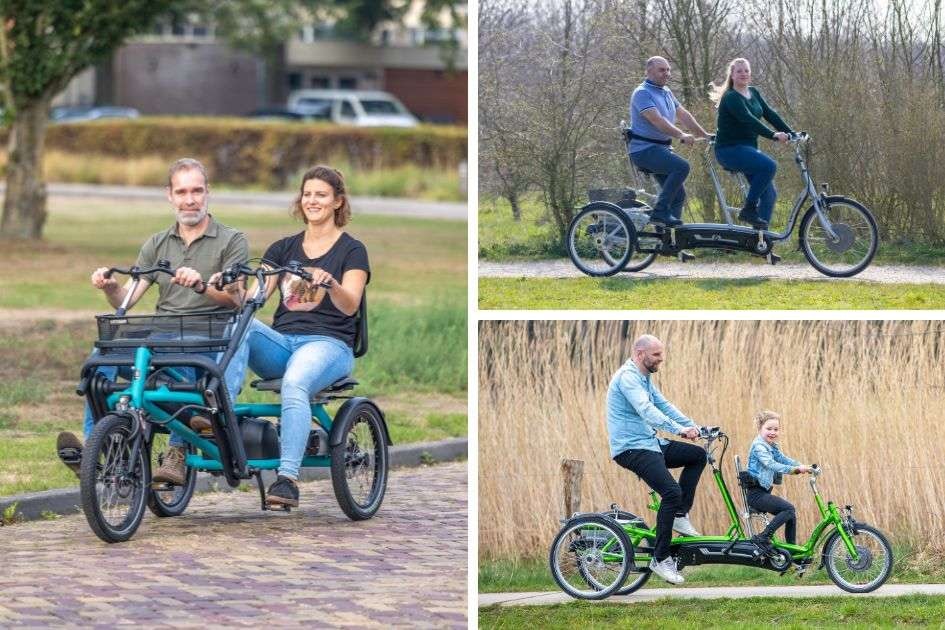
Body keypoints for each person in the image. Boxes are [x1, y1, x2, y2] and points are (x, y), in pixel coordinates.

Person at [56, 158, 249, 485]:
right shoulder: (157, 243)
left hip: (210, 334)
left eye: (197, 191)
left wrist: (202, 284)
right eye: (182, 191)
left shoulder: (231, 240)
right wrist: (112, 287)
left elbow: (237, 298)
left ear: (208, 193)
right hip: (162, 331)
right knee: (103, 356)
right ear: (170, 196)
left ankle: (176, 452)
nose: (190, 200)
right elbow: (127, 301)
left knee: (181, 364)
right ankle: (96, 444)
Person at [221, 165, 369, 508]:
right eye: (307, 194)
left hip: (329, 344)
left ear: (337, 202)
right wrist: (235, 292)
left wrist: (330, 282)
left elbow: (350, 307)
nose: (312, 201)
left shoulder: (352, 250)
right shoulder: (283, 248)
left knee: (295, 383)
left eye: (321, 195)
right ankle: (220, 413)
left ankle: (286, 480)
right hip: (284, 343)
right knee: (238, 326)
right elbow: (255, 300)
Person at [606, 334, 707, 585]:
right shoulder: (628, 378)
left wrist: (693, 426)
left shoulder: (644, 377)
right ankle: (660, 559)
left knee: (697, 455)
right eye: (656, 355)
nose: (662, 359)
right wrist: (679, 430)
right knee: (671, 492)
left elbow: (663, 404)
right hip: (632, 449)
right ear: (640, 354)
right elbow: (647, 411)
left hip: (651, 444)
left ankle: (680, 515)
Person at [710, 57, 795, 230]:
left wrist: (791, 133)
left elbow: (770, 114)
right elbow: (748, 120)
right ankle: (748, 209)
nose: (743, 74)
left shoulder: (754, 92)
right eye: (739, 71)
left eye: (746, 71)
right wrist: (773, 135)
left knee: (769, 195)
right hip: (729, 150)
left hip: (747, 150)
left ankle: (759, 241)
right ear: (732, 75)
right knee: (769, 166)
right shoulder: (731, 97)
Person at [628, 56, 712, 227]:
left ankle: (670, 241)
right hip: (644, 151)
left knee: (678, 195)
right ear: (649, 71)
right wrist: (681, 135)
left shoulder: (666, 91)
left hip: (660, 150)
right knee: (681, 167)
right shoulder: (642, 93)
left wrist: (705, 134)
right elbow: (657, 120)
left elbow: (684, 115)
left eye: (668, 70)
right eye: (662, 70)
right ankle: (659, 212)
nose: (666, 73)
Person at [744, 410, 813, 554]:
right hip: (756, 495)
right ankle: (763, 537)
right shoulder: (759, 446)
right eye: (769, 429)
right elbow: (771, 464)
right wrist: (795, 470)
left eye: (776, 429)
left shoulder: (771, 446)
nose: (773, 432)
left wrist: (803, 466)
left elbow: (783, 459)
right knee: (788, 509)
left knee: (791, 514)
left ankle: (792, 552)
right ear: (760, 428)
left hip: (763, 493)